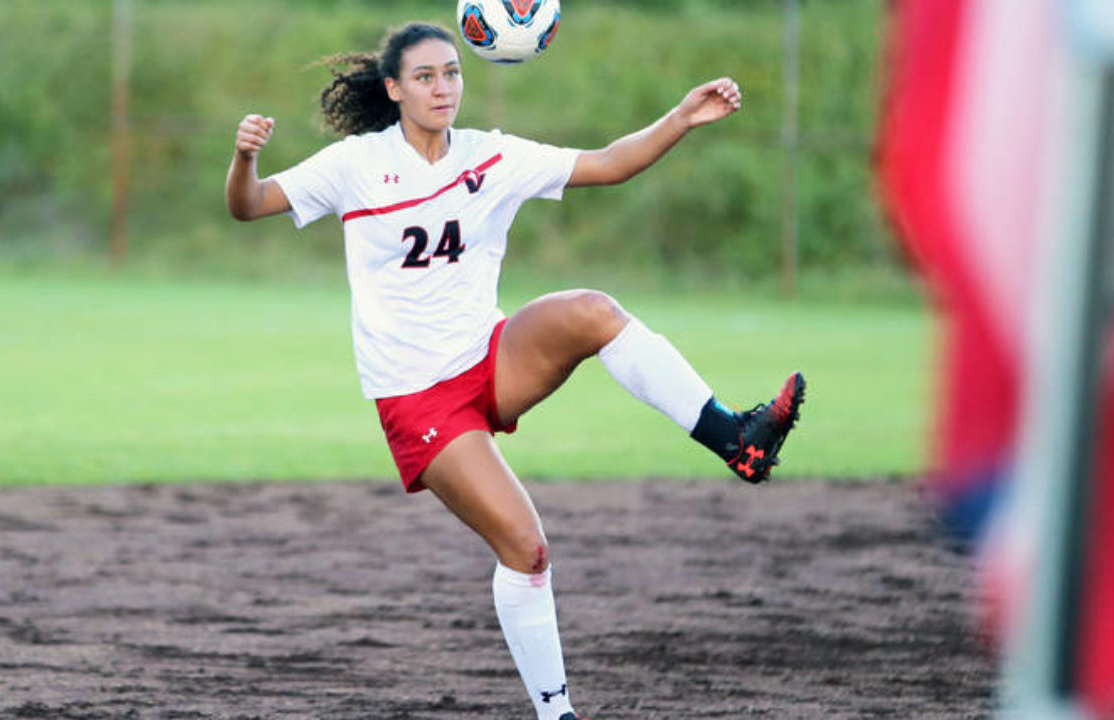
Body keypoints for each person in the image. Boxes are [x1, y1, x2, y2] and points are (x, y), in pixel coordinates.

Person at [225, 22, 805, 720]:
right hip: (416, 397)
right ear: (394, 89)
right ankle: (556, 713)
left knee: (593, 310)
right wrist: (244, 160)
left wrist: (682, 117)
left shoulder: (487, 155)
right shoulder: (355, 164)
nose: (444, 88)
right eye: (426, 77)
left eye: (452, 73)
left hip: (488, 358)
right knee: (526, 551)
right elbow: (249, 206)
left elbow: (609, 163)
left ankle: (734, 438)